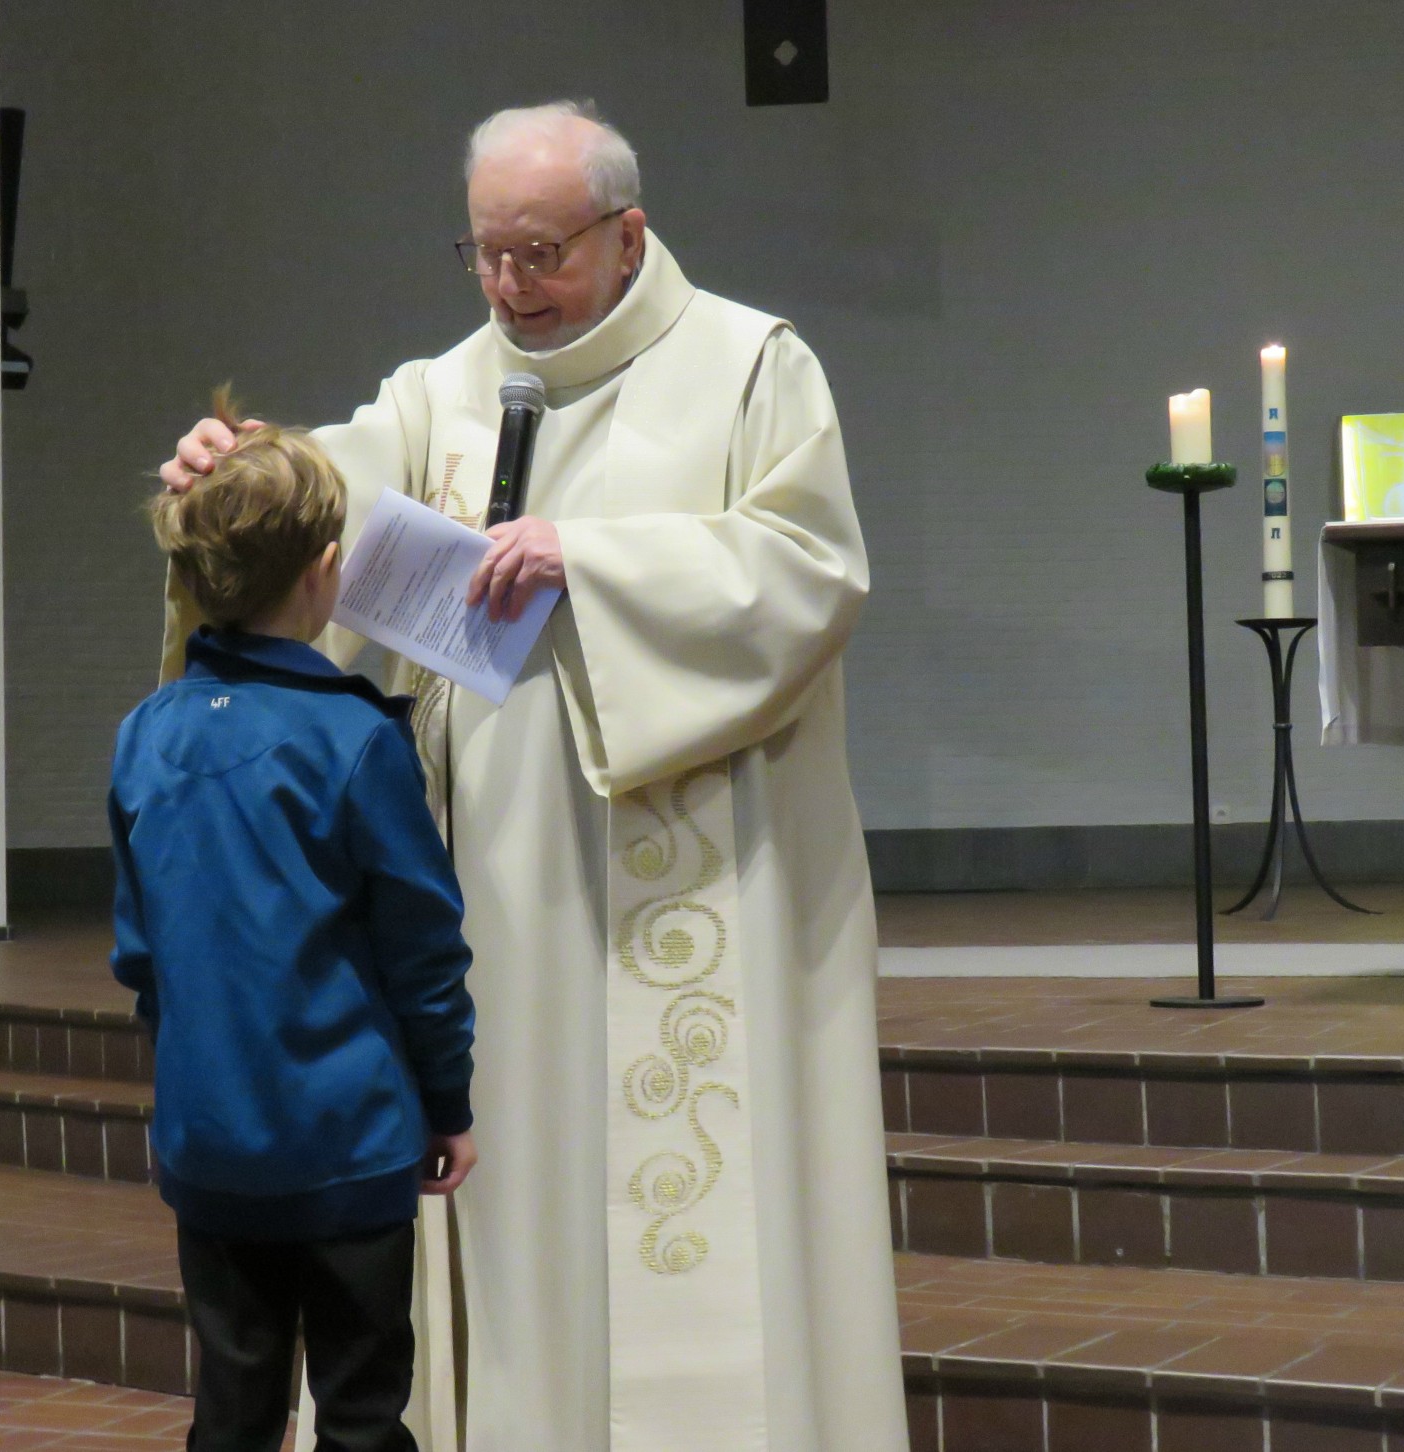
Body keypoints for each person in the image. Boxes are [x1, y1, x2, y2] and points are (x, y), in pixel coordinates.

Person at [159, 102, 905, 1452]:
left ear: (627, 236)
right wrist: (243, 468)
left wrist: (594, 562)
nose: (511, 286)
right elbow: (325, 506)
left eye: (541, 254)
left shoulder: (750, 368)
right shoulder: (443, 388)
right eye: (486, 254)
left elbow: (812, 573)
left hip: (689, 888)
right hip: (485, 887)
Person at [114, 396, 477, 1452]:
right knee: (362, 1411)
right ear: (327, 571)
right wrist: (444, 1100)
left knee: (229, 1411)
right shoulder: (356, 741)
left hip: (210, 1141)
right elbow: (422, 953)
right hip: (349, 1139)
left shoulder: (147, 733)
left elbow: (139, 951)